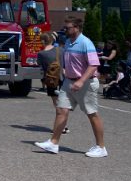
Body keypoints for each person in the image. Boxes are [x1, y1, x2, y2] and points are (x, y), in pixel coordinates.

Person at [35, 16, 107, 158]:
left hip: (85, 83)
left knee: (92, 114)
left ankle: (101, 147)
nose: (65, 30)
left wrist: (81, 81)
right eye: (65, 27)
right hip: (69, 82)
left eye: (67, 28)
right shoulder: (68, 42)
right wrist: (65, 71)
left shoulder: (86, 43)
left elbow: (93, 65)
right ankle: (54, 143)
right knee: (61, 110)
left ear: (77, 28)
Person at [37, 31, 69, 134]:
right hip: (63, 79)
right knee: (64, 103)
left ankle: (60, 127)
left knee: (57, 104)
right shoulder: (61, 50)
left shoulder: (41, 54)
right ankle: (64, 125)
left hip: (51, 80)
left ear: (43, 41)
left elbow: (40, 66)